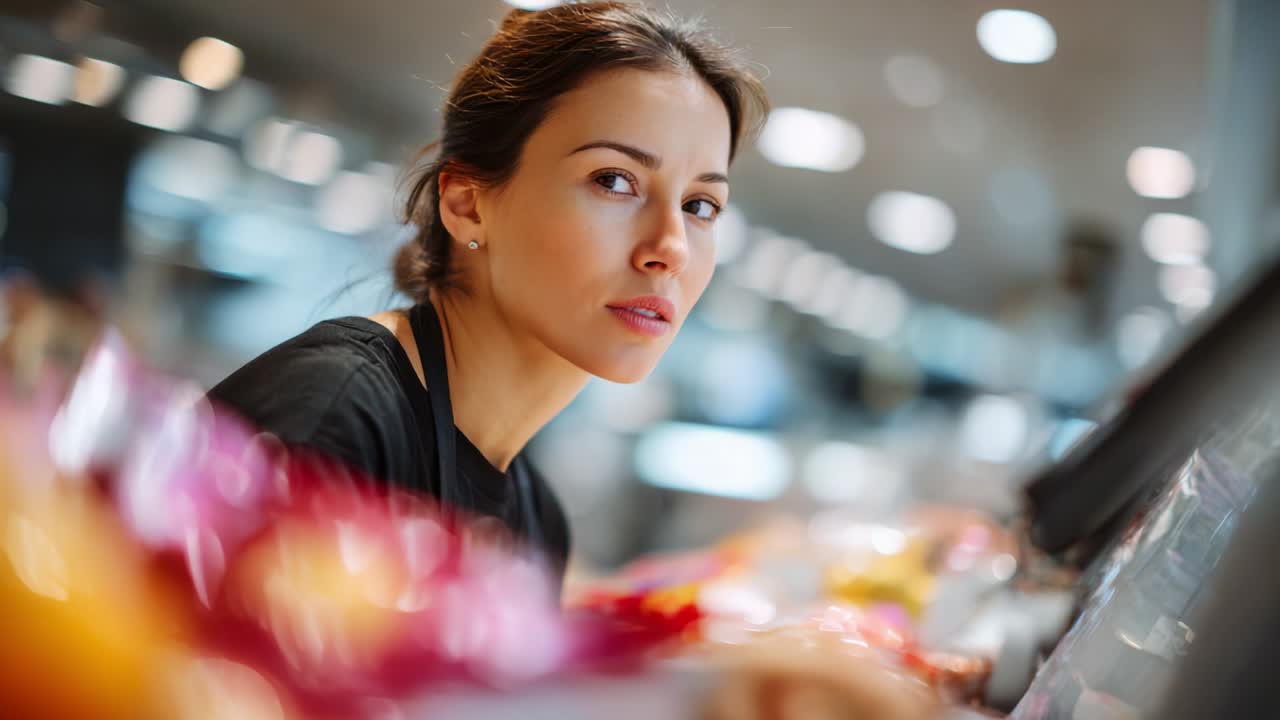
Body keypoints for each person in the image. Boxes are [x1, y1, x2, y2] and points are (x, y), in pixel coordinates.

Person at [208, 1, 769, 588]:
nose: (671, 247)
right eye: (614, 181)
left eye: (699, 206)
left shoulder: (536, 523)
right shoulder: (333, 421)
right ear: (467, 204)